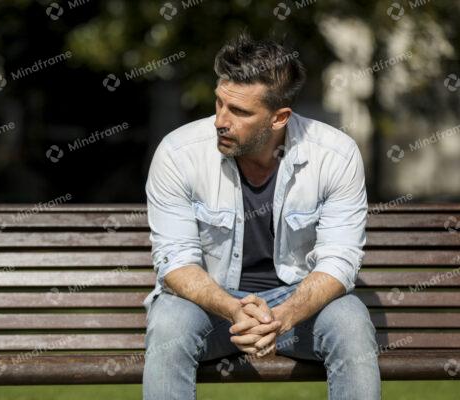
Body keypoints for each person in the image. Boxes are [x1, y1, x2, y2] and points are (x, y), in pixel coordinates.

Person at [142, 31, 380, 400]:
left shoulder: (336, 154)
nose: (221, 120)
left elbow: (340, 262)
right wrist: (234, 309)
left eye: (239, 111)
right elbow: (175, 262)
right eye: (219, 102)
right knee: (170, 322)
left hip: (298, 308)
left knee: (350, 322)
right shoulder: (178, 153)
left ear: (279, 117)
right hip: (212, 307)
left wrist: (282, 316)